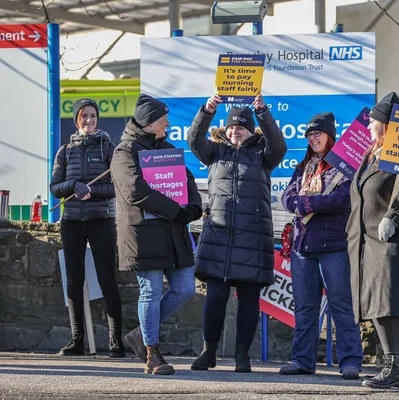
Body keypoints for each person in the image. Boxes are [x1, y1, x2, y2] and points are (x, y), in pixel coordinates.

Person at [187, 94, 287, 373]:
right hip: (219, 239)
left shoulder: (263, 154)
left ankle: (242, 355)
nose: (235, 131)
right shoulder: (215, 152)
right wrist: (207, 110)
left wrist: (263, 111)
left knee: (249, 301)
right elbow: (194, 141)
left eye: (241, 127)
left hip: (252, 239)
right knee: (215, 297)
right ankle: (209, 352)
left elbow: (279, 145)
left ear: (250, 129)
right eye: (231, 127)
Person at [346, 92, 399, 389]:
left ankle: (395, 367)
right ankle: (392, 365)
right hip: (369, 239)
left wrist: (392, 217)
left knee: (389, 302)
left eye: (373, 122)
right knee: (379, 302)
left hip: (395, 239)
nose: (368, 126)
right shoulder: (372, 153)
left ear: (387, 125)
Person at [111, 94, 202, 375]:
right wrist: (175, 210)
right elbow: (135, 191)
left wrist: (193, 207)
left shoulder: (166, 148)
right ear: (150, 122)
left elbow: (186, 179)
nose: (168, 124)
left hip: (172, 231)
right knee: (149, 291)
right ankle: (152, 353)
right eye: (164, 119)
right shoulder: (123, 153)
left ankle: (141, 332)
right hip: (143, 233)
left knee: (185, 287)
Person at [278, 112, 363, 379]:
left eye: (318, 133)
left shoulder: (344, 166)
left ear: (330, 136)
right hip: (303, 246)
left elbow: (342, 199)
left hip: (335, 245)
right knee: (304, 306)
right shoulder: (304, 166)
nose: (313, 138)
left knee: (341, 304)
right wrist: (299, 203)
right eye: (310, 135)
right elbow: (287, 195)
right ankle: (302, 360)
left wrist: (307, 204)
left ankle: (350, 361)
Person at [50, 98, 124, 358]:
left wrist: (91, 190)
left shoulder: (109, 148)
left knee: (107, 279)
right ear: (77, 120)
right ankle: (77, 339)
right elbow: (55, 187)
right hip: (72, 222)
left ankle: (116, 340)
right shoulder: (65, 150)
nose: (89, 121)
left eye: (93, 116)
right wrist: (73, 186)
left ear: (98, 119)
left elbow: (117, 187)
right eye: (84, 116)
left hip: (101, 221)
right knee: (74, 281)